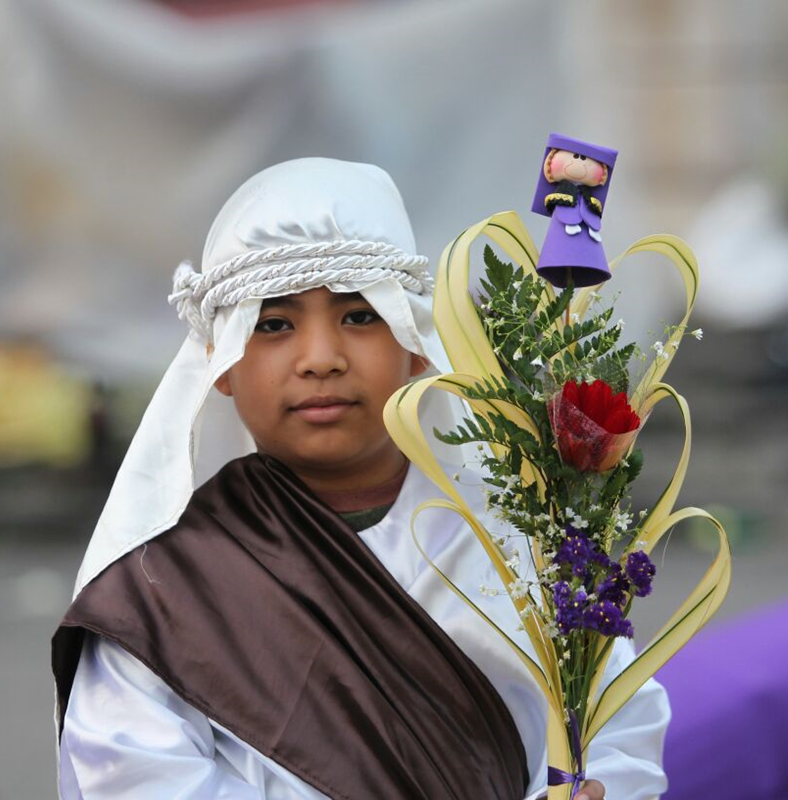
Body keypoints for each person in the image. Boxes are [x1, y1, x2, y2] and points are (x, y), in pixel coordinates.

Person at [51, 158, 670, 799]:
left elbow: (615, 727)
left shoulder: (519, 534)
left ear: (416, 344)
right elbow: (131, 779)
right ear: (223, 363)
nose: (321, 359)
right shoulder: (162, 590)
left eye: (358, 317)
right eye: (274, 324)